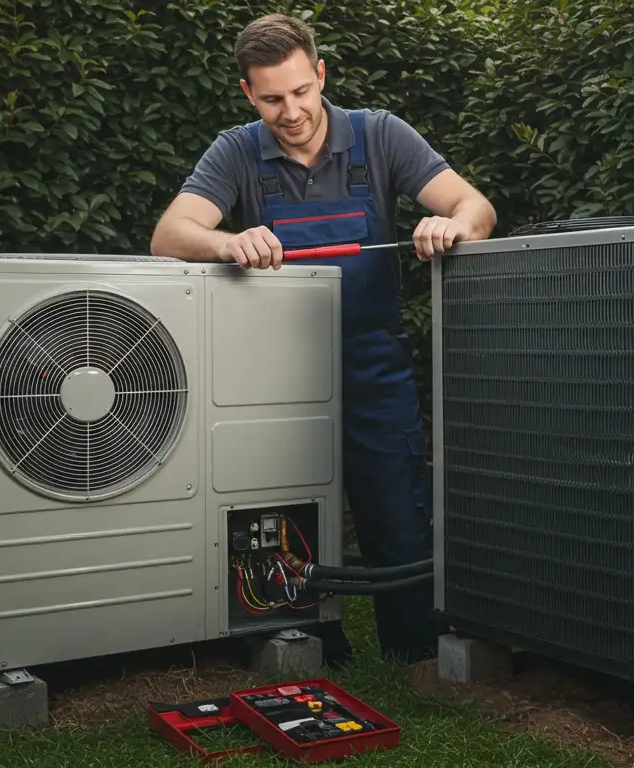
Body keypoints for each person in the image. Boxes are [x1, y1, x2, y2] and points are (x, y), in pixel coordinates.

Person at [150, 13, 496, 664]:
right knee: (282, 516)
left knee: (395, 507)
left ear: (320, 74)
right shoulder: (235, 151)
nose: (292, 111)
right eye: (273, 98)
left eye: (301, 92)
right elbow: (170, 235)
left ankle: (414, 649)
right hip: (275, 374)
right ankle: (301, 644)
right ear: (248, 94)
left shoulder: (380, 135)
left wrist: (448, 227)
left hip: (373, 363)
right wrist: (229, 241)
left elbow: (476, 207)